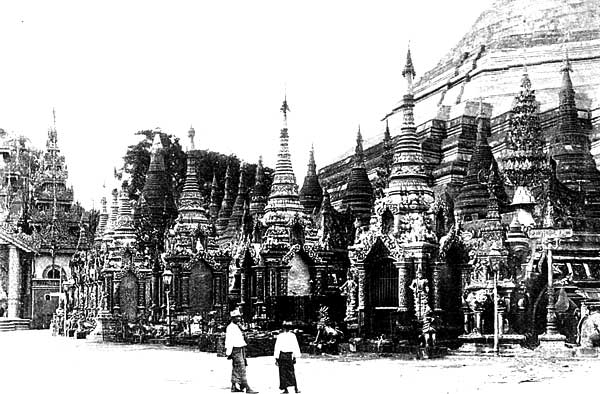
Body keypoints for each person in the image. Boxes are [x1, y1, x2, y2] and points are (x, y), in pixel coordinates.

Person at [225, 309, 257, 393]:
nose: (239, 319)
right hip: (235, 349)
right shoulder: (230, 328)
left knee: (237, 368)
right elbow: (228, 341)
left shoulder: (237, 326)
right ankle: (247, 387)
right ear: (232, 318)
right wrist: (229, 352)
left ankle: (234, 386)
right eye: (237, 317)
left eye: (239, 317)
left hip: (241, 348)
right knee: (241, 368)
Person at [273, 321, 301, 394]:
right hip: (289, 356)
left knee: (283, 373)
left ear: (283, 328)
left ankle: (285, 389)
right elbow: (295, 346)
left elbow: (277, 347)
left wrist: (276, 358)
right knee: (291, 372)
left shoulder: (280, 336)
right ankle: (295, 388)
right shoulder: (292, 336)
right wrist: (295, 356)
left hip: (282, 356)